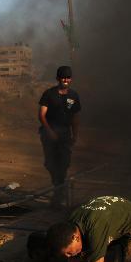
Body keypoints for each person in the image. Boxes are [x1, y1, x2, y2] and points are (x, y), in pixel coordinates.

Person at [38, 65, 80, 207]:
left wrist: (75, 135)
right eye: (63, 77)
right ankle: (58, 190)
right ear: (57, 78)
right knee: (50, 164)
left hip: (65, 136)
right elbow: (42, 115)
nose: (65, 79)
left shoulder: (73, 96)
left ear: (71, 79)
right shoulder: (49, 94)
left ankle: (58, 193)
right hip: (48, 135)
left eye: (68, 77)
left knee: (63, 163)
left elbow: (74, 118)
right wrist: (50, 132)